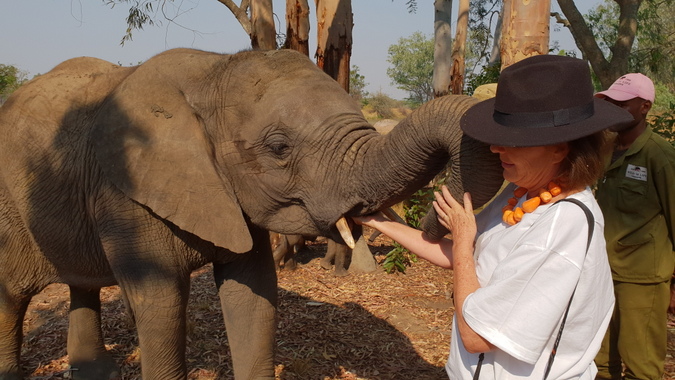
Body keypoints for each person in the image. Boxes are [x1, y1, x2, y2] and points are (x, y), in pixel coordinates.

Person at [353, 54, 634, 380]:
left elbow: (477, 336)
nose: (496, 149)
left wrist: (461, 241)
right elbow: (463, 257)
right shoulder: (522, 193)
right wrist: (378, 221)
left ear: (560, 148)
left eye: (513, 141)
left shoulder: (562, 226)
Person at [593, 73, 675, 380]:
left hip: (642, 277)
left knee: (641, 364)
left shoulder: (659, 155)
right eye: (610, 103)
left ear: (644, 106)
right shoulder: (604, 150)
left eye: (621, 104)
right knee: (599, 360)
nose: (613, 109)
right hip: (602, 270)